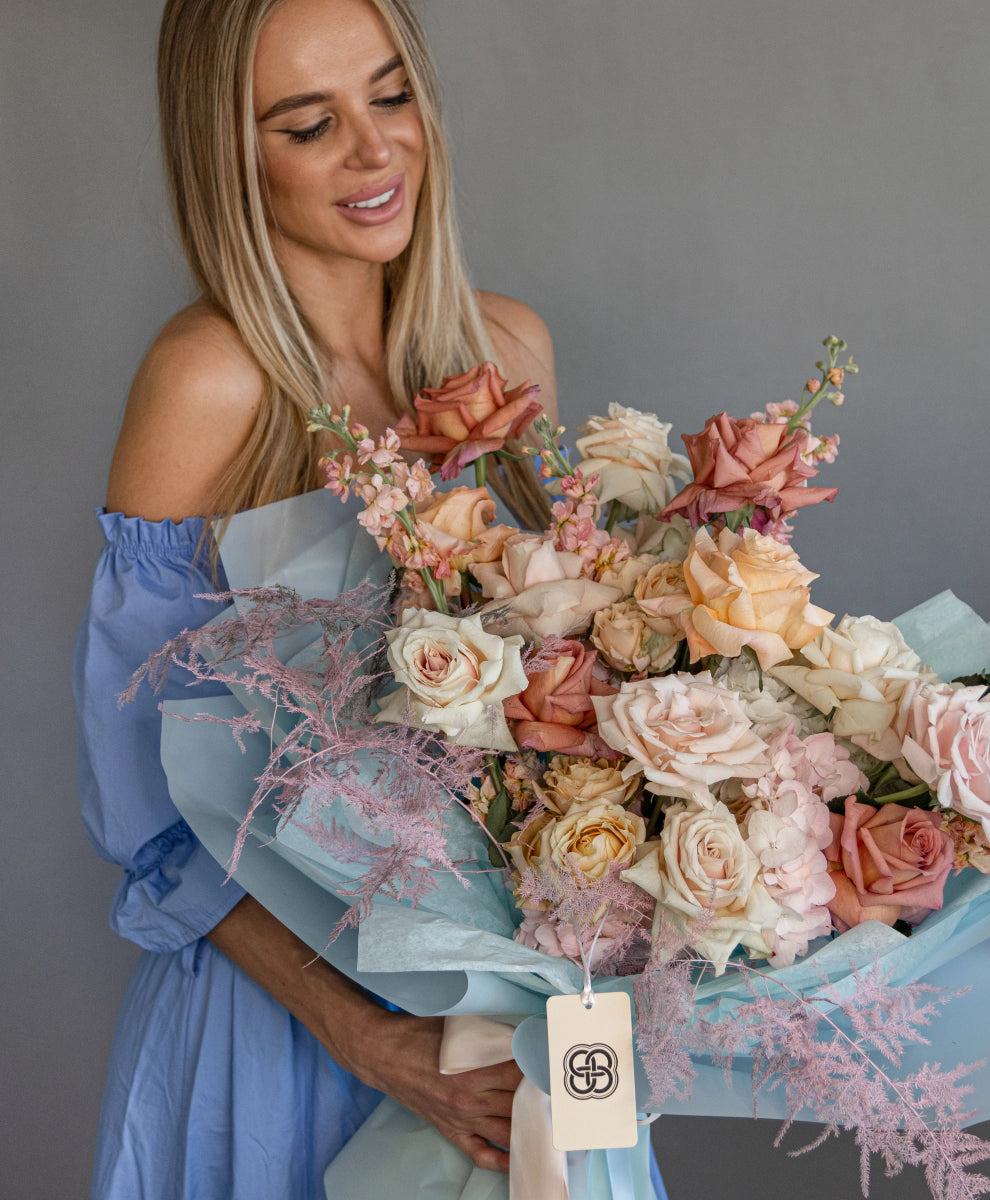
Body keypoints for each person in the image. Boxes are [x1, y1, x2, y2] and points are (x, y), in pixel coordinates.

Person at [73, 1, 664, 1196]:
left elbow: (579, 714)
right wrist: (370, 1037)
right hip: (287, 1037)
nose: (374, 150)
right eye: (308, 123)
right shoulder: (209, 382)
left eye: (390, 97)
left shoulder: (509, 351)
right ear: (233, 159)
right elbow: (139, 792)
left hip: (526, 1026)